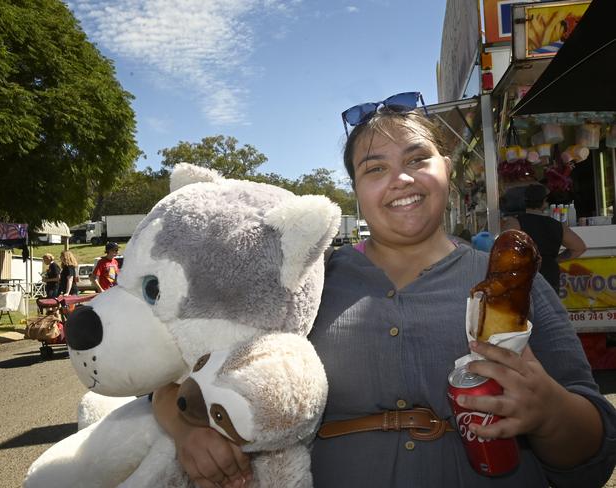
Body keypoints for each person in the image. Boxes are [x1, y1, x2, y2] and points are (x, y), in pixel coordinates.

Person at [151, 106, 616, 487]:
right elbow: (170, 376)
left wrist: (550, 411)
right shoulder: (304, 289)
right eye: (375, 168)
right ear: (355, 190)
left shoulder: (511, 282)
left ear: (447, 171)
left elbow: (594, 455)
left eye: (417, 160)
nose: (402, 179)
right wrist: (184, 431)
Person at [502, 183, 586, 293]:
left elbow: (505, 249)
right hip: (550, 275)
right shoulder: (558, 225)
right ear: (544, 202)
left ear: (525, 201)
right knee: (549, 309)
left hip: (525, 275)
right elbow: (579, 247)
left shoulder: (514, 222)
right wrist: (555, 259)